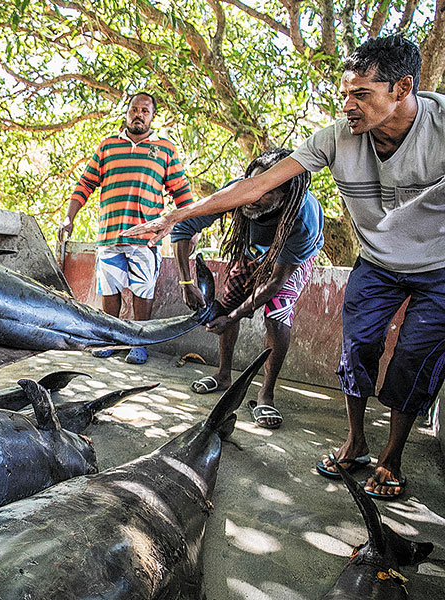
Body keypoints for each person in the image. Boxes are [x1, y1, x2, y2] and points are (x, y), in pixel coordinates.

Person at [126, 35, 443, 500]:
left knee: (413, 361)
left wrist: (235, 312)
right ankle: (355, 442)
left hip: (438, 268)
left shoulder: (439, 131)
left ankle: (391, 457)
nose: (348, 105)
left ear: (402, 88)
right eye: (344, 93)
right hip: (376, 263)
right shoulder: (336, 138)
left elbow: (277, 283)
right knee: (357, 349)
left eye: (361, 95)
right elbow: (256, 186)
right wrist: (175, 216)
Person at [172, 148, 323, 429]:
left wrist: (232, 317)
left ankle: (266, 392)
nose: (252, 196)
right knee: (228, 302)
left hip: (290, 259)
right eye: (251, 186)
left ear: (285, 196)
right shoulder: (238, 192)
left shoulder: (303, 219)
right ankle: (223, 375)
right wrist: (185, 282)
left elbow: (275, 282)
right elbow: (183, 227)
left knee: (277, 317)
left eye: (265, 191)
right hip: (252, 249)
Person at [58, 92, 194, 364]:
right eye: (134, 109)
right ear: (126, 112)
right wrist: (69, 217)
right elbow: (84, 184)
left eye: (145, 111)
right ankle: (111, 339)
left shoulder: (165, 149)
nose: (139, 115)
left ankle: (138, 343)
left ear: (152, 117)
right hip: (110, 235)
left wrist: (190, 227)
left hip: (145, 237)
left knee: (143, 292)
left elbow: (182, 193)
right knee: (110, 292)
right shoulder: (108, 146)